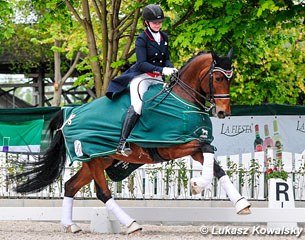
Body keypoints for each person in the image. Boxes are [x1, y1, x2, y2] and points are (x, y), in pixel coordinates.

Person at [106, 4, 177, 156]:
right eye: (154, 22)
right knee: (137, 106)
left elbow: (166, 59)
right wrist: (162, 70)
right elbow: (142, 64)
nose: (158, 24)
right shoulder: (142, 39)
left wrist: (171, 68)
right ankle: (122, 142)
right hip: (142, 77)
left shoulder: (164, 37)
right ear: (146, 23)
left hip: (158, 78)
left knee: (170, 101)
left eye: (160, 22)